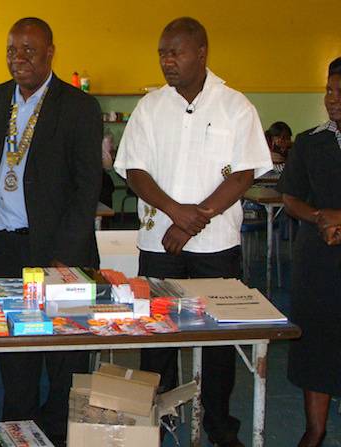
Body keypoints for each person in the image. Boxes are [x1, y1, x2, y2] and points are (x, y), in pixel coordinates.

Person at [0, 17, 102, 445]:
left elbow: (88, 188)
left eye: (29, 49)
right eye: (12, 49)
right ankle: (17, 433)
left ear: (50, 53)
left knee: (65, 359)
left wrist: (66, 255)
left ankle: (60, 433)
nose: (19, 58)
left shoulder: (80, 107)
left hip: (60, 253)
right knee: (17, 354)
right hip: (7, 248)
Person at [113, 17, 272, 447]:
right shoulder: (151, 107)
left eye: (176, 52)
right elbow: (134, 171)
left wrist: (194, 220)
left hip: (216, 244)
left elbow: (243, 175)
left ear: (201, 53)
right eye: (162, 52)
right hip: (158, 241)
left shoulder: (235, 106)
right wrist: (175, 213)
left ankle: (219, 423)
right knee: (158, 334)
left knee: (218, 339)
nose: (167, 61)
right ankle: (155, 418)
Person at [277, 57, 341, 447]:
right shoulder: (309, 142)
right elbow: (289, 198)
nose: (332, 100)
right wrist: (320, 217)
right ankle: (314, 430)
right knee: (316, 343)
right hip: (317, 262)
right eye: (329, 91)